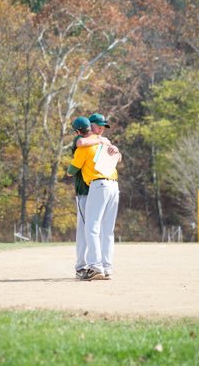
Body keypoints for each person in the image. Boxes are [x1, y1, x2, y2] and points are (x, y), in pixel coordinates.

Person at [68, 113, 121, 281]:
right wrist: (113, 149)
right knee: (107, 230)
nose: (101, 129)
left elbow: (72, 169)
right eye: (99, 126)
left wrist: (116, 151)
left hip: (98, 186)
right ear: (90, 127)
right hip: (113, 185)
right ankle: (106, 267)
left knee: (91, 228)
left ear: (78, 130)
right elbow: (117, 158)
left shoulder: (88, 145)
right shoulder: (102, 142)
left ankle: (95, 267)